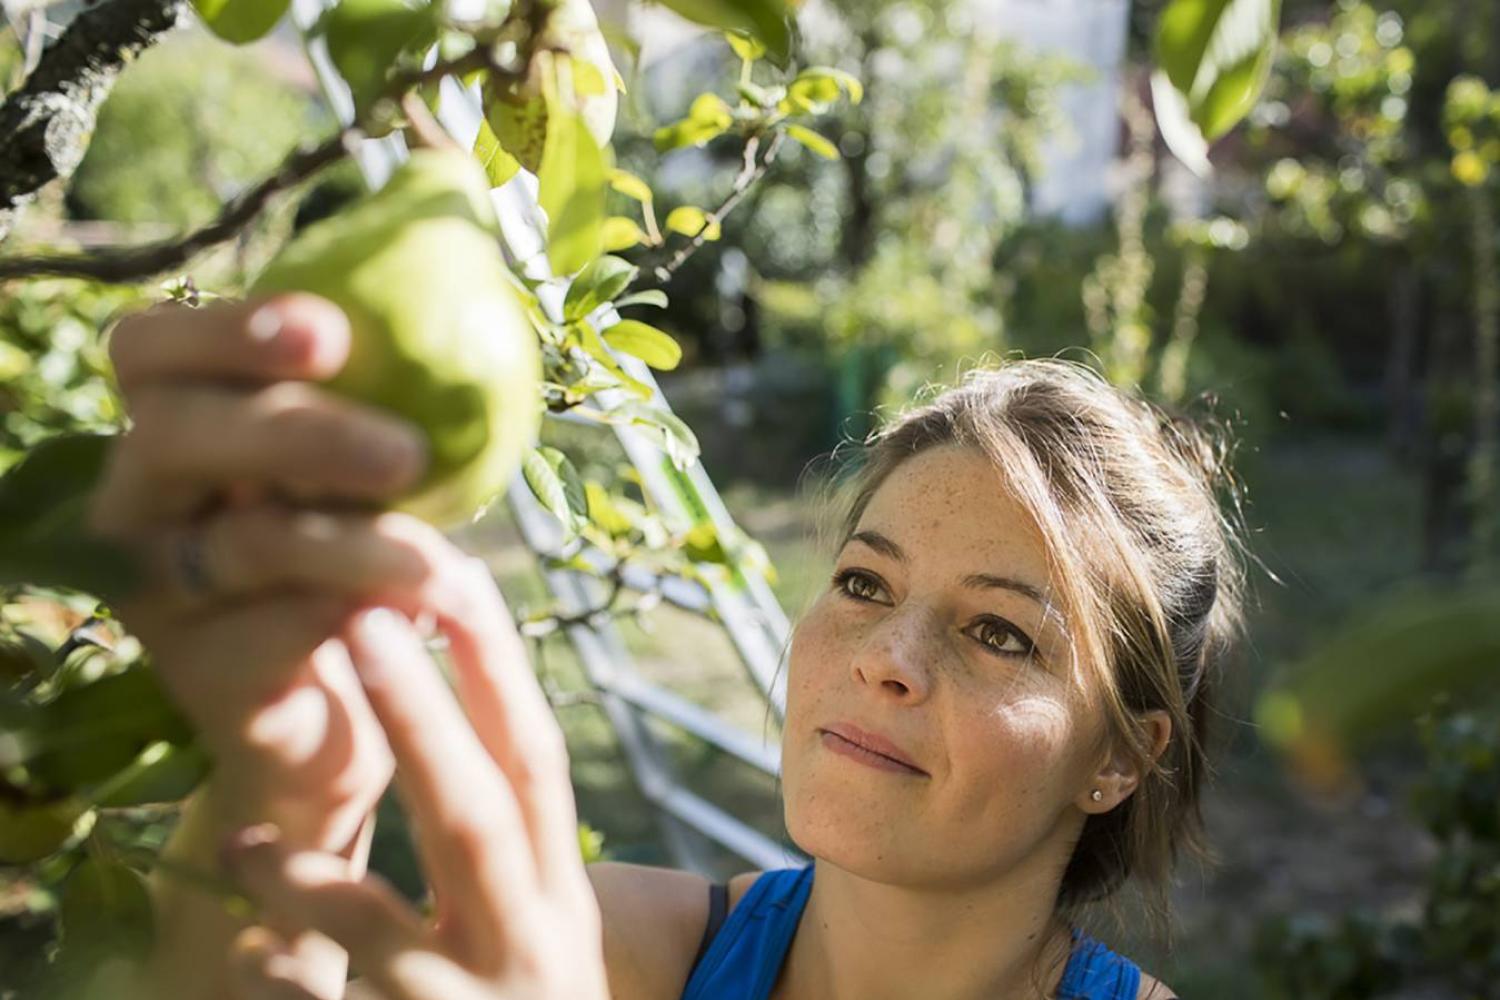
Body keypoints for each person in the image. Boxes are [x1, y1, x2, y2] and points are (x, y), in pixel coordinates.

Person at [89, 291, 1244, 1000]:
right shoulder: (617, 951)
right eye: (862, 580)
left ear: (1121, 756)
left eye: (1001, 632)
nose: (887, 653)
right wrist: (286, 777)